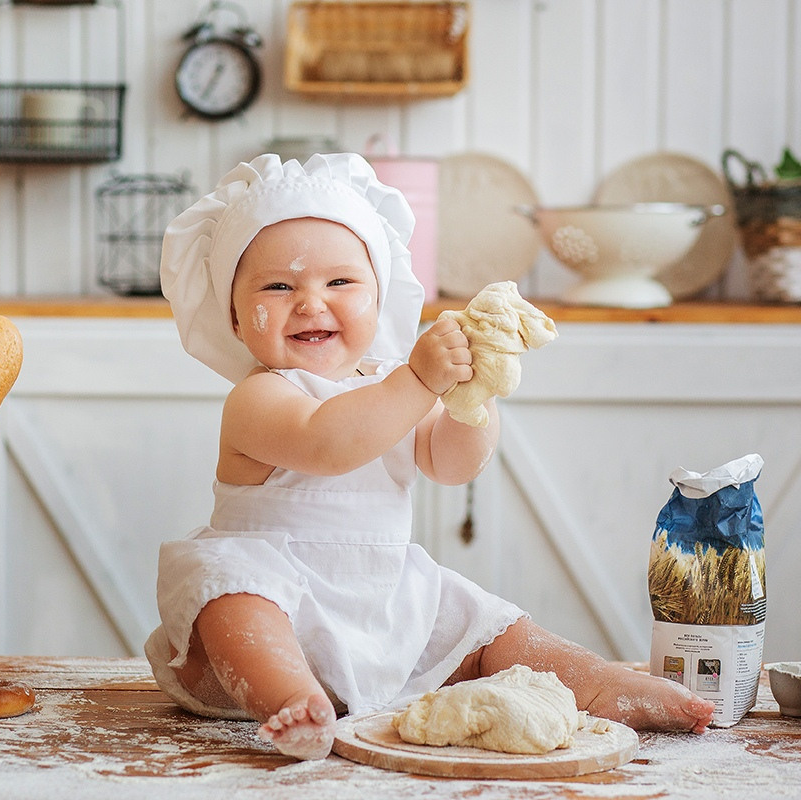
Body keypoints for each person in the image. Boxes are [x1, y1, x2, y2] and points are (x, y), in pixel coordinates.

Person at [143, 153, 715, 761]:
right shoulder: (260, 396)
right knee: (235, 602)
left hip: (380, 593)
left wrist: (475, 398)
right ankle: (290, 699)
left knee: (488, 626)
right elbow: (329, 442)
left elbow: (451, 463)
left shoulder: (392, 380)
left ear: (380, 294)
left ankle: (599, 681)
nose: (311, 302)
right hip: (275, 587)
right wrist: (419, 380)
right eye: (278, 286)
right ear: (235, 314)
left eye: (340, 282)